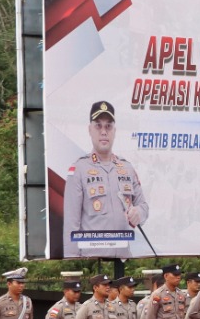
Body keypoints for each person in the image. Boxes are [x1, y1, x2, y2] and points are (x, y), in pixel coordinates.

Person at [62, 100, 149, 258]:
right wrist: (72, 261)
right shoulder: (79, 169)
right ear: (90, 130)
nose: (103, 132)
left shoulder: (127, 168)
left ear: (114, 131)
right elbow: (71, 225)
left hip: (123, 258)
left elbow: (143, 206)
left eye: (108, 126)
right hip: (93, 261)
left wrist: (139, 213)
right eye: (98, 126)